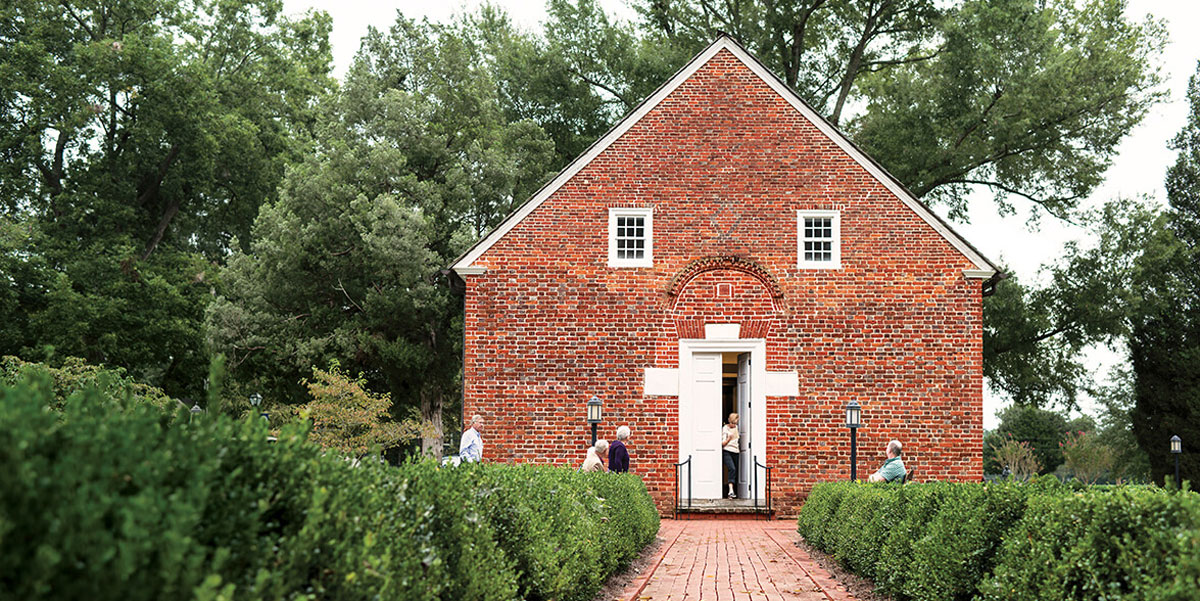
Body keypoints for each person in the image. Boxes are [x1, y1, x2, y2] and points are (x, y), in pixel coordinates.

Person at [721, 413, 740, 498]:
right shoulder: (725, 428)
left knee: (735, 471)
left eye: (735, 423)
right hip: (727, 451)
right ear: (729, 421)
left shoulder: (737, 428)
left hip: (736, 451)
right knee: (732, 468)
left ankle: (733, 491)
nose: (734, 425)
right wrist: (729, 438)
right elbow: (722, 443)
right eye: (732, 423)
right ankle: (730, 491)